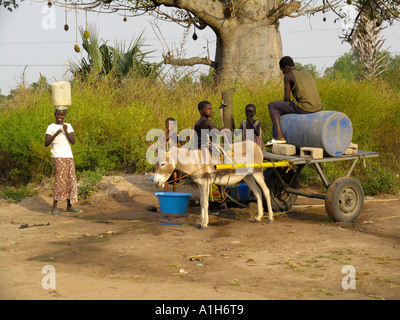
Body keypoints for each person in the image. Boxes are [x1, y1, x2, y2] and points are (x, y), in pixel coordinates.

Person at [266, 56, 322, 146]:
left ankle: (279, 137)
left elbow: (287, 99)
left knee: (272, 106)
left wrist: (284, 109)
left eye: (282, 70)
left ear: (287, 68)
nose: (283, 73)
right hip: (318, 107)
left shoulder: (288, 76)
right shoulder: (307, 72)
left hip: (305, 107)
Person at [45, 109, 80, 215]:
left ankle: (69, 206)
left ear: (65, 116)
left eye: (62, 114)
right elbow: (46, 143)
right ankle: (54, 207)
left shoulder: (68, 126)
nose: (60, 116)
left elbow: (73, 141)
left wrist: (66, 131)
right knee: (60, 180)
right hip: (58, 155)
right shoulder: (51, 127)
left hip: (68, 155)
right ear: (54, 114)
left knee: (70, 179)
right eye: (58, 114)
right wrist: (56, 134)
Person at [194, 100, 228, 210]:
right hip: (207, 152)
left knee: (206, 179)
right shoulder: (207, 123)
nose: (210, 111)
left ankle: (209, 203)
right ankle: (223, 201)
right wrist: (223, 129)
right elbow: (217, 132)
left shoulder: (197, 123)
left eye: (211, 109)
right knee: (219, 174)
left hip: (200, 151)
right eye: (208, 109)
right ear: (201, 111)